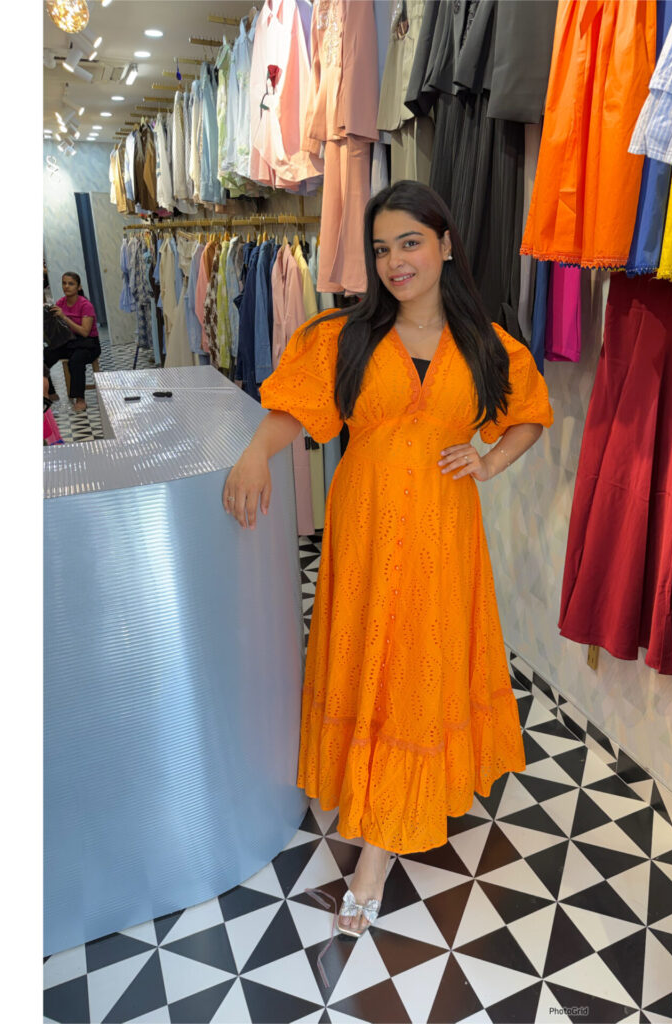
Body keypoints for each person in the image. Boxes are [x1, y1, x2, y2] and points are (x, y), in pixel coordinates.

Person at [223, 181, 553, 938]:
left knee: (413, 667)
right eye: (381, 249)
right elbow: (295, 408)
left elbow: (530, 415)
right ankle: (372, 795)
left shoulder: (487, 345)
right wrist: (256, 454)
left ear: (444, 245)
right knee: (370, 658)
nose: (396, 261)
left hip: (443, 533)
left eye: (410, 242)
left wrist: (489, 462)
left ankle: (376, 851)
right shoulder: (346, 335)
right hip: (366, 529)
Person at [44, 272, 101, 414]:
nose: (66, 286)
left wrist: (64, 317)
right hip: (69, 341)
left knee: (76, 360)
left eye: (71, 284)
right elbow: (57, 330)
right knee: (45, 355)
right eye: (64, 283)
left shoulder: (85, 305)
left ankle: (80, 399)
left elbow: (85, 332)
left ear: (78, 287)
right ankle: (49, 392)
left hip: (88, 343)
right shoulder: (60, 303)